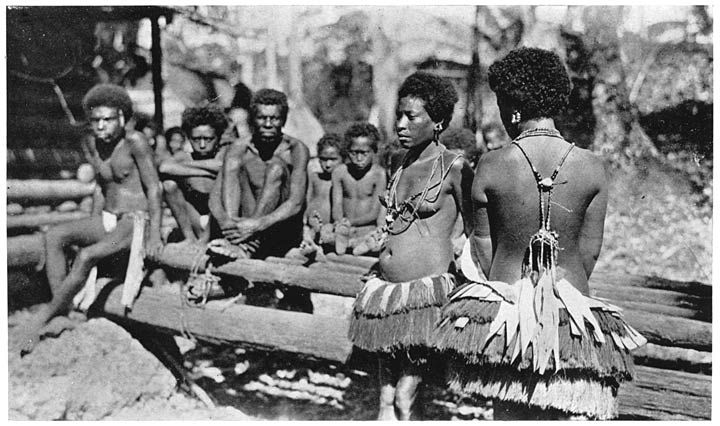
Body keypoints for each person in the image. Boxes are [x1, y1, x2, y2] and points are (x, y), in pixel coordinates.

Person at [433, 47, 646, 420]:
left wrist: (520, 287)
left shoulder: (492, 164)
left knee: (508, 410)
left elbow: (482, 243)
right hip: (572, 310)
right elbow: (590, 250)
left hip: (506, 309)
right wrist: (555, 289)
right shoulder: (592, 167)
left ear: (513, 105)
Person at [348, 72, 474, 420]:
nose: (401, 124)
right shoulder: (400, 164)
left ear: (438, 122)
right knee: (386, 401)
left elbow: (477, 227)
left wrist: (461, 257)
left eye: (411, 117)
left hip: (425, 295)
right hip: (387, 292)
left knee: (406, 396)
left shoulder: (455, 167)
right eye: (399, 115)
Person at [19, 84, 164, 356]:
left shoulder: (135, 142)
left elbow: (155, 188)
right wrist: (92, 224)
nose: (101, 126)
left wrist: (155, 233)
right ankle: (62, 306)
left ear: (122, 117)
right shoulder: (95, 144)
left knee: (86, 257)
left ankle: (46, 315)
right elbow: (101, 187)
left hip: (135, 220)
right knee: (53, 235)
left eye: (107, 120)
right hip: (108, 218)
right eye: (96, 120)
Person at [209, 88, 309, 260]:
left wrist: (256, 226)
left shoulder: (295, 149)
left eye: (274, 118)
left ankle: (248, 247)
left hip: (279, 229)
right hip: (242, 227)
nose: (268, 124)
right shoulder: (239, 148)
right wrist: (229, 225)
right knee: (234, 163)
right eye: (262, 118)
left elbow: (295, 203)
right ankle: (237, 243)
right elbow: (215, 198)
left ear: (283, 120)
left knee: (276, 167)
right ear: (252, 120)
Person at [159, 105, 229, 243]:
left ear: (218, 137)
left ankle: (204, 240)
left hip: (219, 221)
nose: (202, 145)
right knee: (168, 185)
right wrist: (207, 172)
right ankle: (189, 238)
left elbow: (221, 165)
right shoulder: (184, 156)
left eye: (208, 139)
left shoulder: (225, 153)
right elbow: (164, 167)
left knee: (221, 182)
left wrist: (184, 168)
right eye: (196, 139)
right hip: (194, 219)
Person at [329, 123, 387, 255]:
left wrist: (351, 223)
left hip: (366, 228)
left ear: (374, 151)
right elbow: (336, 207)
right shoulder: (340, 172)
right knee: (326, 233)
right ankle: (349, 243)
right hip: (342, 228)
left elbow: (374, 213)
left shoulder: (379, 174)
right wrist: (341, 223)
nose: (359, 159)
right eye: (354, 153)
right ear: (347, 151)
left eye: (364, 153)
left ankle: (355, 244)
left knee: (375, 238)